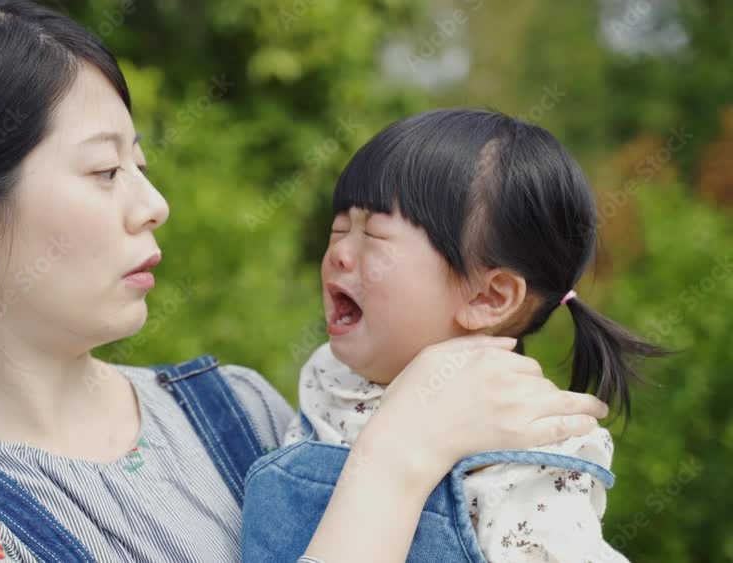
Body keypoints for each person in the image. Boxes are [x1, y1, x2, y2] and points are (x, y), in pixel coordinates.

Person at [0, 2, 608, 562]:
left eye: (139, 163)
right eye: (104, 171)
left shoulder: (241, 411)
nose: (154, 204)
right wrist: (401, 450)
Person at [243, 110, 664, 562]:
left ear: (488, 296)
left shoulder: (520, 461)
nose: (340, 253)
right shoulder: (329, 381)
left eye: (375, 235)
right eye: (339, 228)